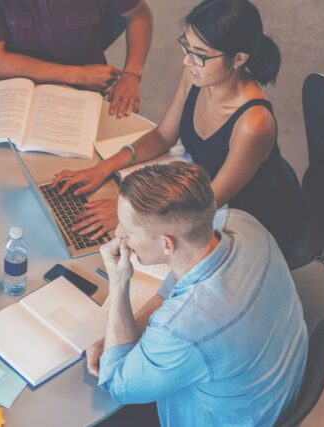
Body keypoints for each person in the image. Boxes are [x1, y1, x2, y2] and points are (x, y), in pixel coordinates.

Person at [54, 0, 304, 258]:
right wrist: (103, 168)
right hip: (199, 189)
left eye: (199, 54)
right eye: (186, 46)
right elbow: (163, 136)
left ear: (239, 58)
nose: (187, 61)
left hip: (249, 216)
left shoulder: (254, 124)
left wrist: (127, 212)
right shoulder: (196, 76)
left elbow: (209, 203)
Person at [87, 162, 307, 426]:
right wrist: (128, 329)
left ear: (167, 244)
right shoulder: (243, 223)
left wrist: (119, 283)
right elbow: (173, 290)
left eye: (127, 228)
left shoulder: (181, 328)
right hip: (274, 394)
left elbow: (115, 381)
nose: (117, 234)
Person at [0, 0, 153, 119]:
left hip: (82, 95)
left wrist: (131, 75)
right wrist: (79, 75)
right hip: (17, 91)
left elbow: (139, 15)